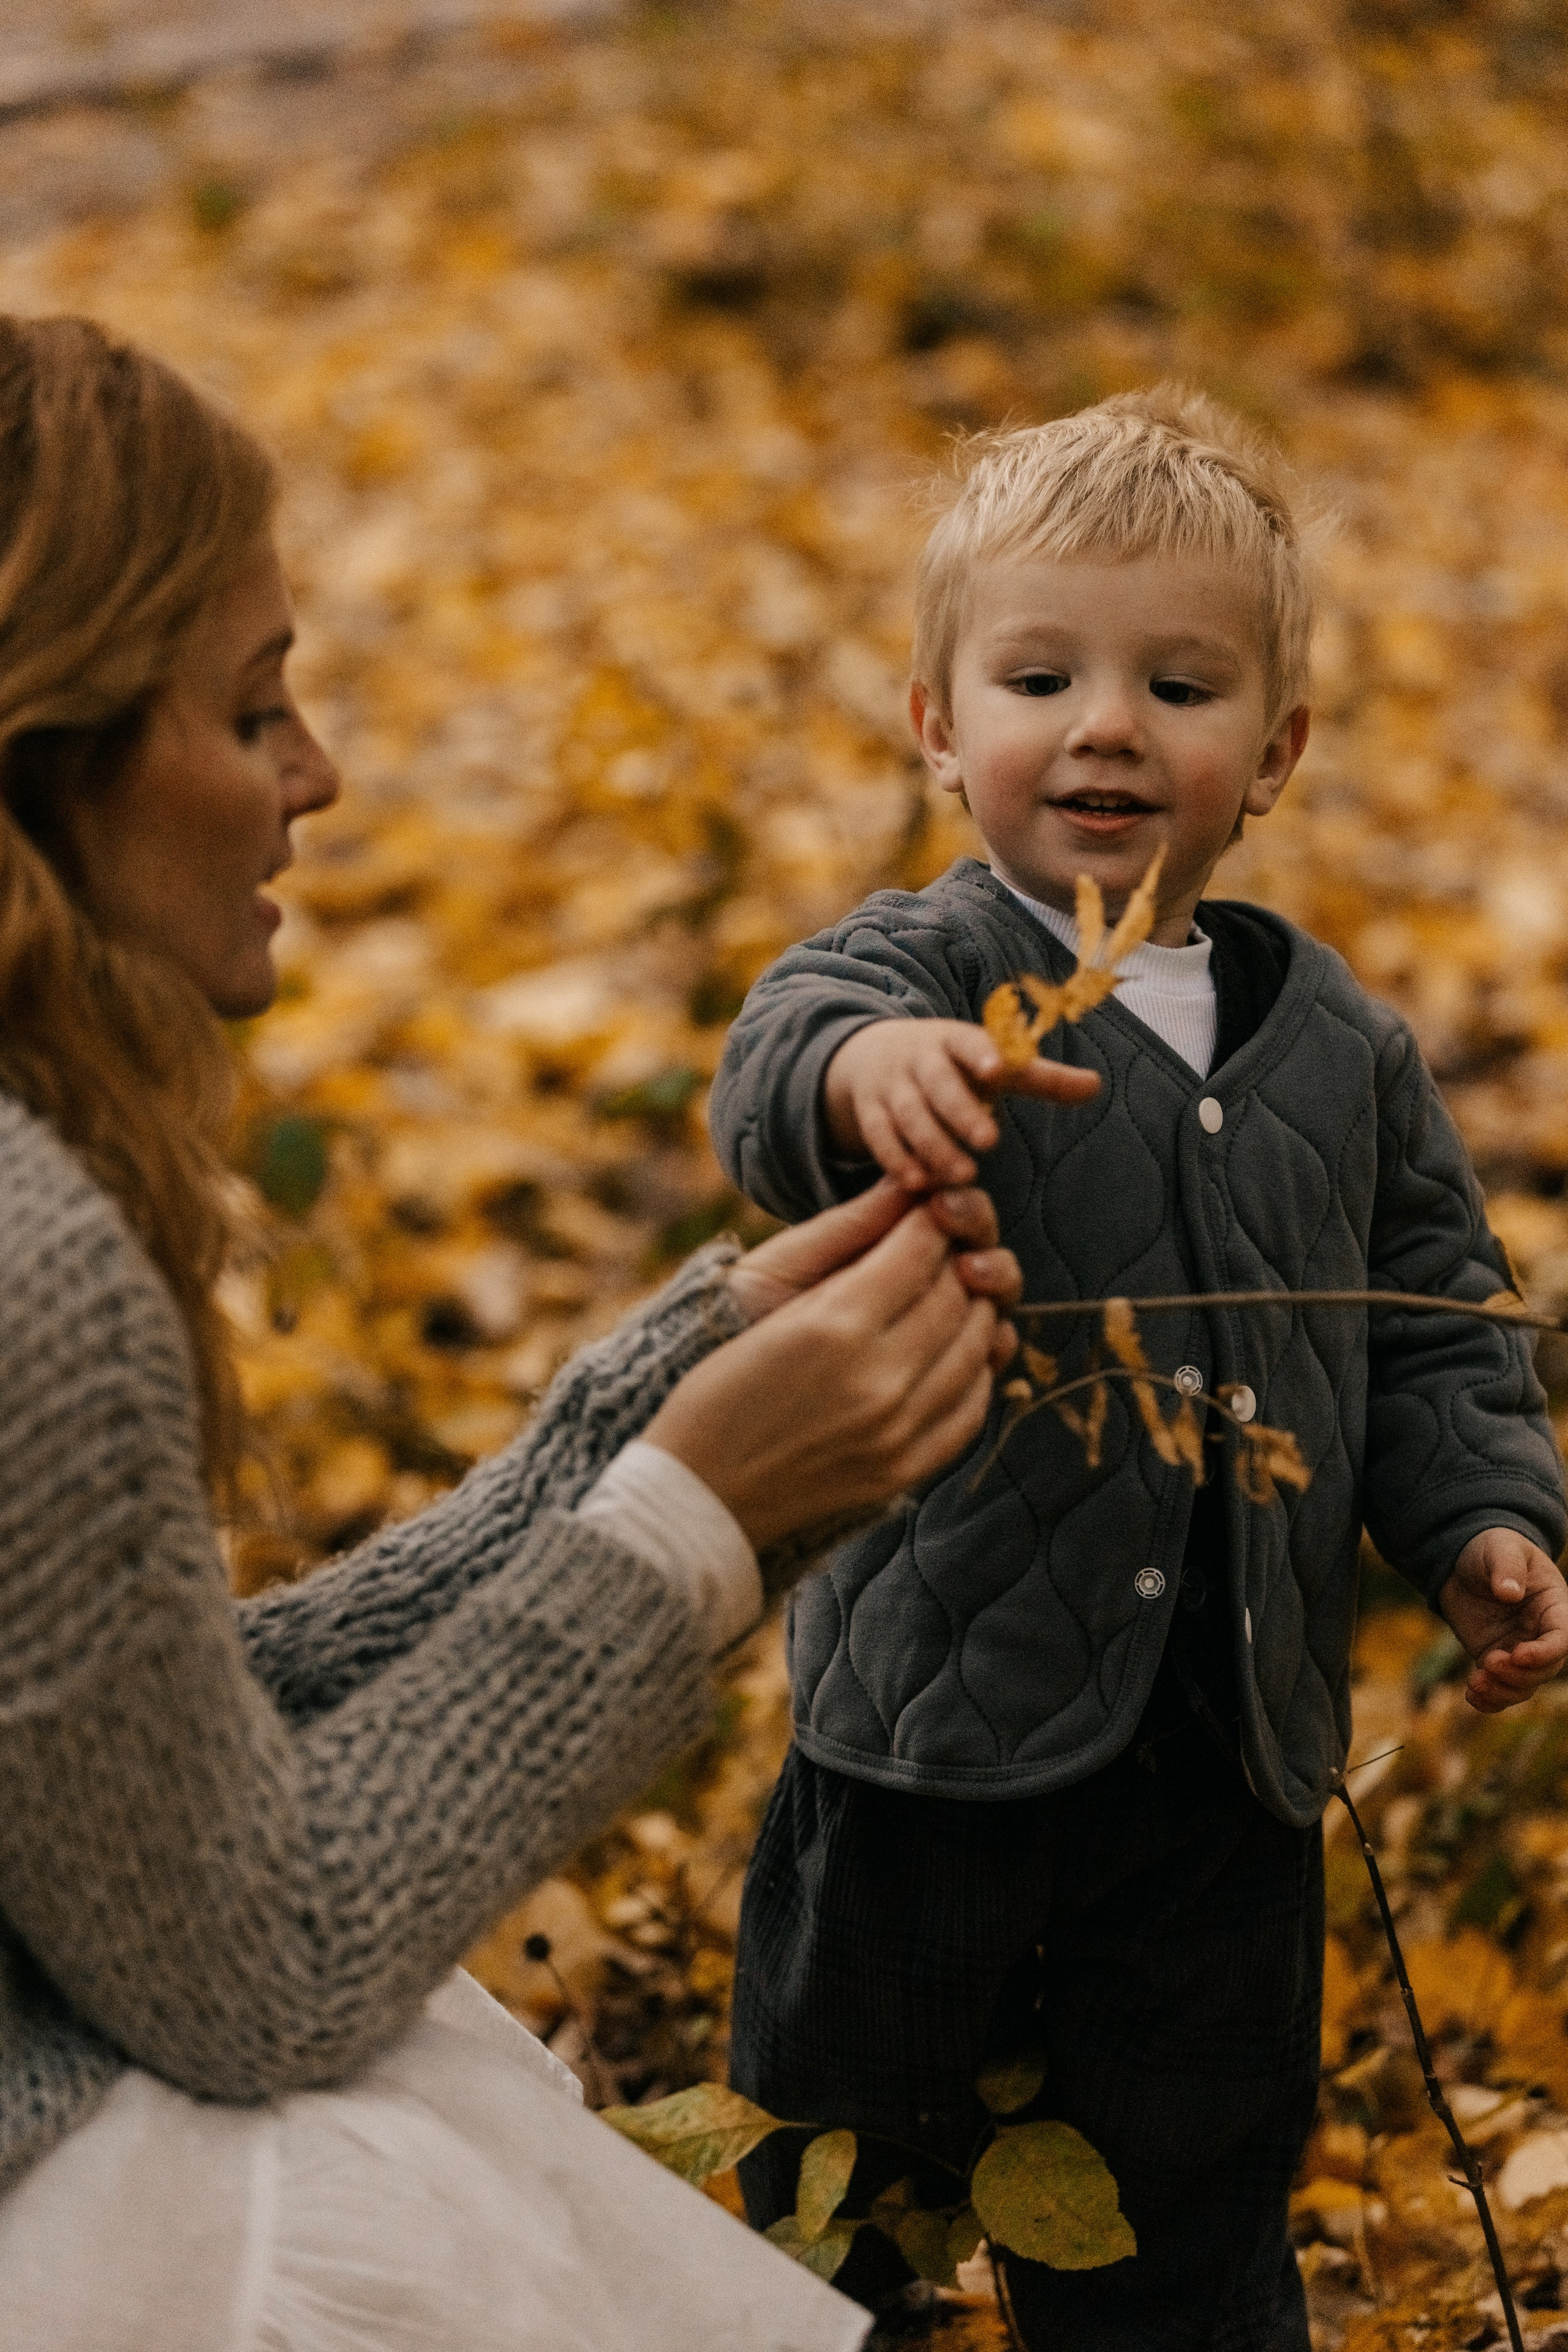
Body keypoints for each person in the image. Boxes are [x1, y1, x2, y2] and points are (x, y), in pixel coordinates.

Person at [0, 313, 1030, 2352]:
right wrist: (686, 1533)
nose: (319, 776)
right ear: (52, 754)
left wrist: (655, 1415)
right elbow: (249, 1955)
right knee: (367, 2188)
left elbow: (129, 1765)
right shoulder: (29, 1264)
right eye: (256, 709)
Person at [708, 386, 1568, 2349]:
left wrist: (1485, 1517)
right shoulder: (920, 974)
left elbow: (1431, 1308)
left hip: (1222, 1776)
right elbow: (775, 1068)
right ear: (941, 723)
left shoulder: (1333, 1041)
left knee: (1188, 2225)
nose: (1105, 725)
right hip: (933, 1743)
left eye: (1178, 686)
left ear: (1272, 753)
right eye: (1039, 675)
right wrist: (864, 1080)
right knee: (845, 2208)